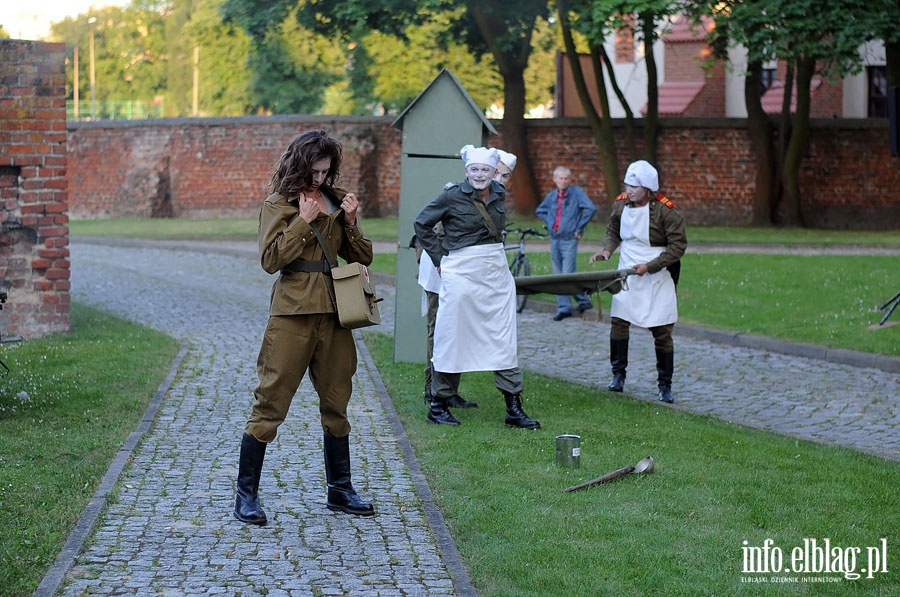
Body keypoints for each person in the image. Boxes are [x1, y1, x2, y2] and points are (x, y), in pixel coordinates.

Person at [234, 130, 376, 525]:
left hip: (335, 315)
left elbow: (362, 256)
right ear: (299, 164)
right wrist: (302, 221)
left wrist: (349, 222)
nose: (319, 178)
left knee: (337, 400)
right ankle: (246, 495)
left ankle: (341, 490)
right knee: (271, 400)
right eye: (313, 171)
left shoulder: (336, 198)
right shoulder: (278, 204)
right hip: (292, 314)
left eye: (325, 171)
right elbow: (270, 259)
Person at [413, 145, 540, 429]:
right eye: (474, 170)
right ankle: (438, 405)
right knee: (450, 336)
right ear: (466, 171)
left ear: (494, 172)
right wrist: (439, 259)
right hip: (461, 272)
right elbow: (422, 224)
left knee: (503, 337)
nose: (479, 175)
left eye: (485, 170)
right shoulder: (451, 195)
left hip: (494, 273)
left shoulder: (499, 194)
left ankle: (513, 408)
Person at [589, 160, 687, 403]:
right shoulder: (621, 203)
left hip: (657, 274)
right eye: (628, 185)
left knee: (662, 330)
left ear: (648, 189)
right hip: (627, 272)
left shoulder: (667, 211)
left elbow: (678, 246)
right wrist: (607, 251)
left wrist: (650, 267)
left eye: (635, 186)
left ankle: (665, 385)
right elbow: (613, 229)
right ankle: (618, 376)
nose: (630, 190)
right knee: (619, 323)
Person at [536, 166, 597, 321]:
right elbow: (540, 211)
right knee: (557, 276)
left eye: (566, 178)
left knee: (567, 275)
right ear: (555, 179)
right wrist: (550, 222)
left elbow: (590, 208)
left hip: (569, 238)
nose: (563, 181)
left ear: (569, 180)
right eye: (560, 178)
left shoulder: (577, 194)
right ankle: (567, 307)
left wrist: (579, 227)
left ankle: (578, 302)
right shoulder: (551, 196)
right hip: (554, 238)